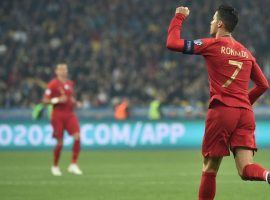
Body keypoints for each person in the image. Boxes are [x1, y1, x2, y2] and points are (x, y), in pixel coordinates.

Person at [166, 5, 269, 200]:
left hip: (222, 111)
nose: (211, 22)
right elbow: (263, 84)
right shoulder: (246, 53)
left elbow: (172, 43)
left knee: (210, 168)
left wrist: (179, 17)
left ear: (220, 23)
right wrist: (244, 102)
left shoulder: (211, 45)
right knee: (246, 169)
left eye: (213, 19)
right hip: (245, 114)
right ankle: (267, 175)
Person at [43, 63, 83, 176]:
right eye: (61, 69)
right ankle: (55, 166)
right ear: (56, 71)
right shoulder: (52, 84)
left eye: (65, 69)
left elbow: (70, 97)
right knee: (60, 142)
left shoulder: (70, 83)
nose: (63, 71)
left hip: (70, 114)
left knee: (77, 136)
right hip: (58, 115)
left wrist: (76, 103)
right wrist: (57, 100)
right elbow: (45, 101)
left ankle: (73, 164)